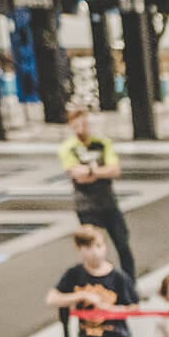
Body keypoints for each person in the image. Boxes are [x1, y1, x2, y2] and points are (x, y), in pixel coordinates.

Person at [58, 111, 136, 275]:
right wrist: (100, 171)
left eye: (84, 124)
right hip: (86, 206)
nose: (81, 128)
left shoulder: (102, 143)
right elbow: (78, 176)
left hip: (108, 203)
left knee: (123, 244)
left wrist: (91, 171)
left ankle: (129, 285)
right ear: (71, 126)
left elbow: (115, 170)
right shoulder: (68, 148)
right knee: (94, 249)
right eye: (77, 125)